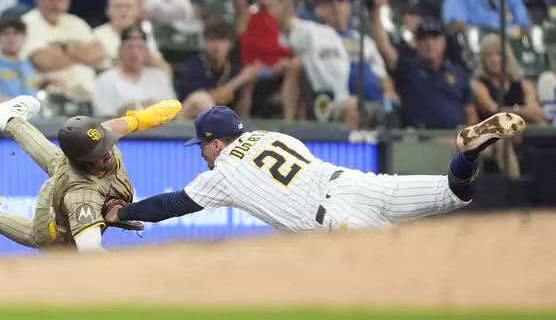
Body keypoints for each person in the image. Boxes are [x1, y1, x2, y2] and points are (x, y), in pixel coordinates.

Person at [108, 106, 526, 231]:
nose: (202, 153)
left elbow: (173, 204)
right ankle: (469, 151)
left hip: (336, 220)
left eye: (203, 145)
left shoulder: (222, 173)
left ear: (216, 142)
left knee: (405, 287)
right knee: (456, 193)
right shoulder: (275, 136)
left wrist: (123, 213)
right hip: (360, 185)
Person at [0, 95, 182, 253]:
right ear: (82, 160)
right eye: (99, 153)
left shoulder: (98, 141)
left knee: (56, 161)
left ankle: (7, 118)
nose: (109, 152)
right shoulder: (81, 196)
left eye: (107, 144)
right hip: (56, 223)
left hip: (72, 173)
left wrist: (147, 117)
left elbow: (133, 121)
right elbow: (90, 250)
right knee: (38, 237)